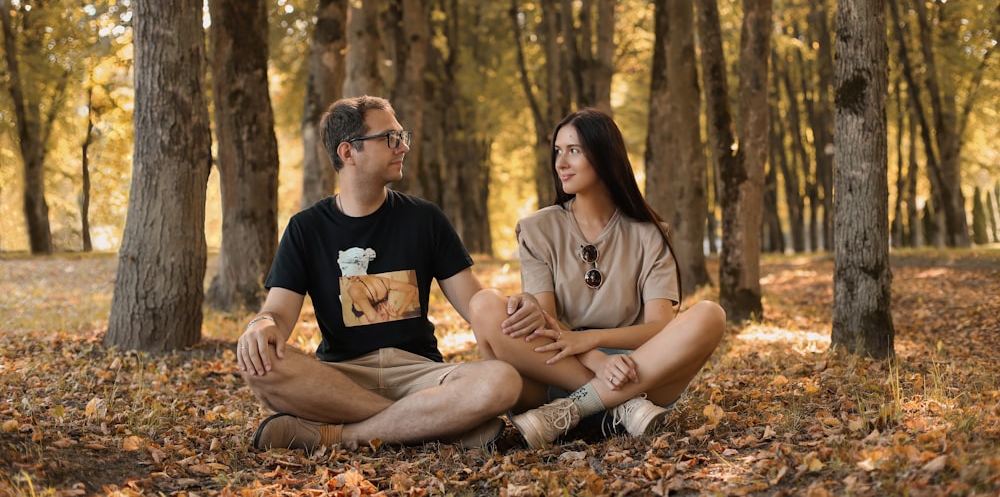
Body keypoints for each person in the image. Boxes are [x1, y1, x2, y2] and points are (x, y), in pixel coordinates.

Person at [238, 96, 542, 452]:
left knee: (502, 381)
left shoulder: (425, 219)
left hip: (421, 375)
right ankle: (432, 426)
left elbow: (474, 300)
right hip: (342, 377)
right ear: (348, 152)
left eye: (402, 136)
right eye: (390, 138)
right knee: (257, 363)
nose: (403, 146)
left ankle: (341, 435)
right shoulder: (306, 229)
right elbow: (277, 314)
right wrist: (260, 325)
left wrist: (515, 304)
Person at [469, 107, 727, 448]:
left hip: (639, 373)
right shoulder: (536, 229)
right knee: (484, 303)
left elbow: (658, 328)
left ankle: (574, 410)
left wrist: (592, 339)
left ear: (605, 155)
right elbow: (546, 323)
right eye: (558, 151)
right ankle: (621, 405)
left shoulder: (651, 234)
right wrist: (598, 360)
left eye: (574, 151)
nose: (561, 162)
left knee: (711, 313)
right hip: (556, 370)